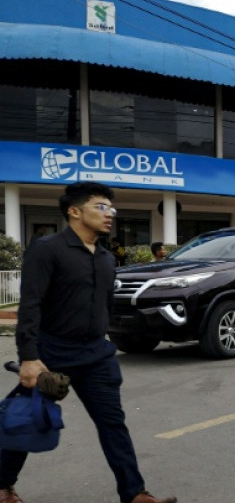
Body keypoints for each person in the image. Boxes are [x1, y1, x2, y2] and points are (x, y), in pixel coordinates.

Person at [5, 182, 176, 503]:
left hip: (96, 354)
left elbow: (104, 306)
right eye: (100, 206)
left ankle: (135, 493)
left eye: (110, 208)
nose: (109, 214)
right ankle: (2, 485)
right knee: (25, 420)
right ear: (74, 211)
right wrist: (29, 357)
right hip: (51, 351)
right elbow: (30, 305)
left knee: (113, 423)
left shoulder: (106, 258)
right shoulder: (47, 249)